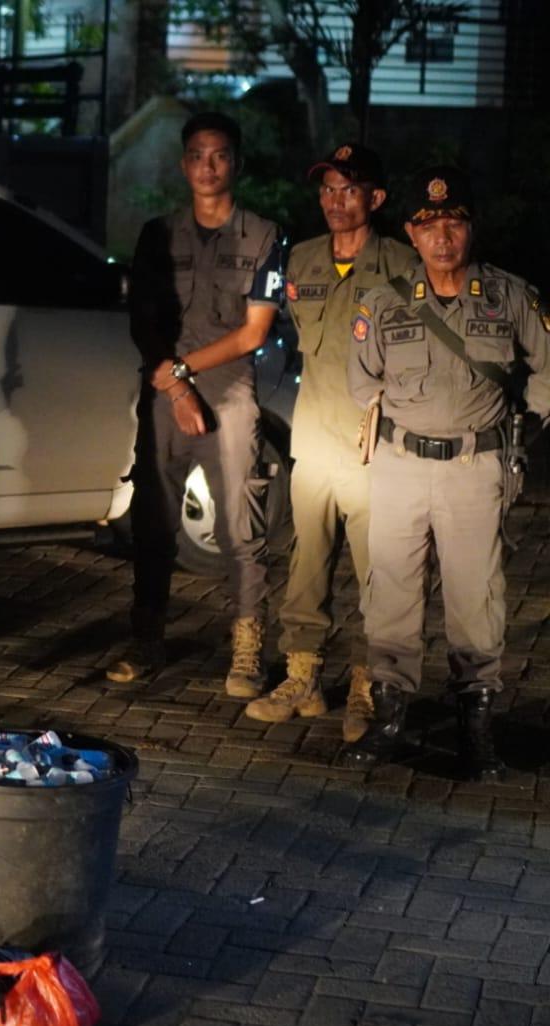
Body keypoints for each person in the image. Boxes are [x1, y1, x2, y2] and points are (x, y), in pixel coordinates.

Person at [345, 166, 550, 780]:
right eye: (429, 225)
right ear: (410, 232)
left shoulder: (512, 297)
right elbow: (363, 383)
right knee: (391, 593)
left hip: (473, 467)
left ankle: (475, 725)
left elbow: (547, 370)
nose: (442, 237)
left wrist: (519, 432)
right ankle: (388, 717)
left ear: (471, 228)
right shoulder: (382, 304)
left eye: (454, 222)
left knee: (476, 598)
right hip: (401, 465)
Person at [108, 112, 284, 697]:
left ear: (236, 163)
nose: (208, 167)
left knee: (242, 528)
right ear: (184, 164)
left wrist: (187, 374)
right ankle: (147, 639)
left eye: (220, 155)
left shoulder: (263, 235)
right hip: (164, 390)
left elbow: (254, 333)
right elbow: (143, 322)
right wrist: (177, 386)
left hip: (231, 391)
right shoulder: (158, 234)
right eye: (197, 155)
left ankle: (246, 650)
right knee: (153, 522)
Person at [244, 145, 418, 737]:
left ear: (376, 199)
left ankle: (371, 685)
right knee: (307, 566)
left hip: (375, 447)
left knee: (378, 573)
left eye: (349, 190)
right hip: (314, 439)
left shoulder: (404, 262)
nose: (335, 202)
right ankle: (303, 677)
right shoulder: (302, 260)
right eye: (327, 190)